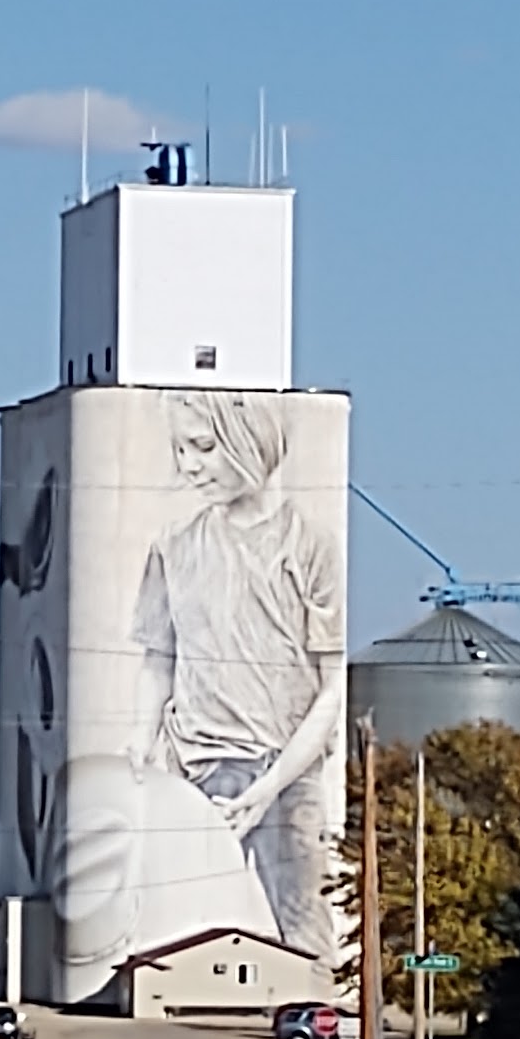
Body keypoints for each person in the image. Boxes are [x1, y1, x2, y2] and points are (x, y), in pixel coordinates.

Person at [126, 391, 343, 964]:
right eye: (180, 449)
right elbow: (157, 662)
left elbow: (333, 685)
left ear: (252, 441)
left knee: (306, 931)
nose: (190, 465)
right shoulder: (174, 548)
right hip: (194, 769)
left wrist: (268, 788)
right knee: (168, 934)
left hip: (285, 772)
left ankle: (316, 1032)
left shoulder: (311, 546)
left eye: (203, 446)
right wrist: (138, 759)